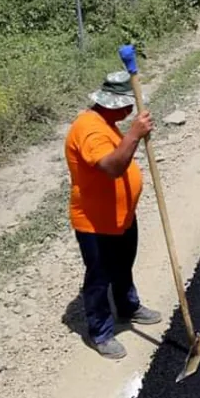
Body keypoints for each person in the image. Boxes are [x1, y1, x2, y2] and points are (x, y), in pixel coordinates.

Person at [64, 70, 162, 359]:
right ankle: (101, 332)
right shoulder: (90, 130)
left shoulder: (106, 121)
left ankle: (128, 306)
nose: (132, 109)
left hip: (120, 217)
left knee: (123, 264)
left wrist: (131, 135)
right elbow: (111, 167)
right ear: (113, 103)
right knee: (99, 276)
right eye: (128, 104)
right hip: (97, 222)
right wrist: (134, 134)